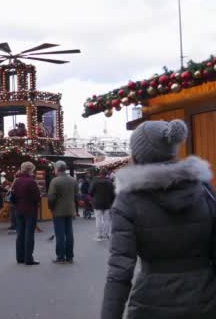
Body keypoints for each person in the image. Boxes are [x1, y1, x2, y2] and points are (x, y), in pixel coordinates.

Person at [102, 120, 216, 319]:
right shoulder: (203, 189)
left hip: (150, 303)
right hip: (205, 299)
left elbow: (120, 269)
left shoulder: (128, 200)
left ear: (138, 155)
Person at [48, 161, 78, 264]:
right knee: (69, 233)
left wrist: (51, 208)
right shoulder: (73, 180)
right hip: (70, 210)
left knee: (60, 234)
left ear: (57, 169)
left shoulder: (55, 181)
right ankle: (70, 256)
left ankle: (60, 256)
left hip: (58, 211)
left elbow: (51, 197)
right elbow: (77, 196)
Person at [13, 162, 42, 265]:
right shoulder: (31, 182)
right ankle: (28, 258)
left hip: (18, 209)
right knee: (29, 234)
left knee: (20, 233)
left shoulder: (16, 181)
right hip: (30, 210)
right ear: (30, 170)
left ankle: (19, 257)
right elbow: (37, 198)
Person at [89, 169, 115, 241]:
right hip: (107, 203)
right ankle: (106, 235)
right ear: (106, 174)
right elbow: (113, 194)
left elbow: (90, 192)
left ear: (99, 174)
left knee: (98, 219)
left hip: (97, 203)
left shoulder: (95, 182)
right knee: (107, 220)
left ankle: (99, 235)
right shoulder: (110, 182)